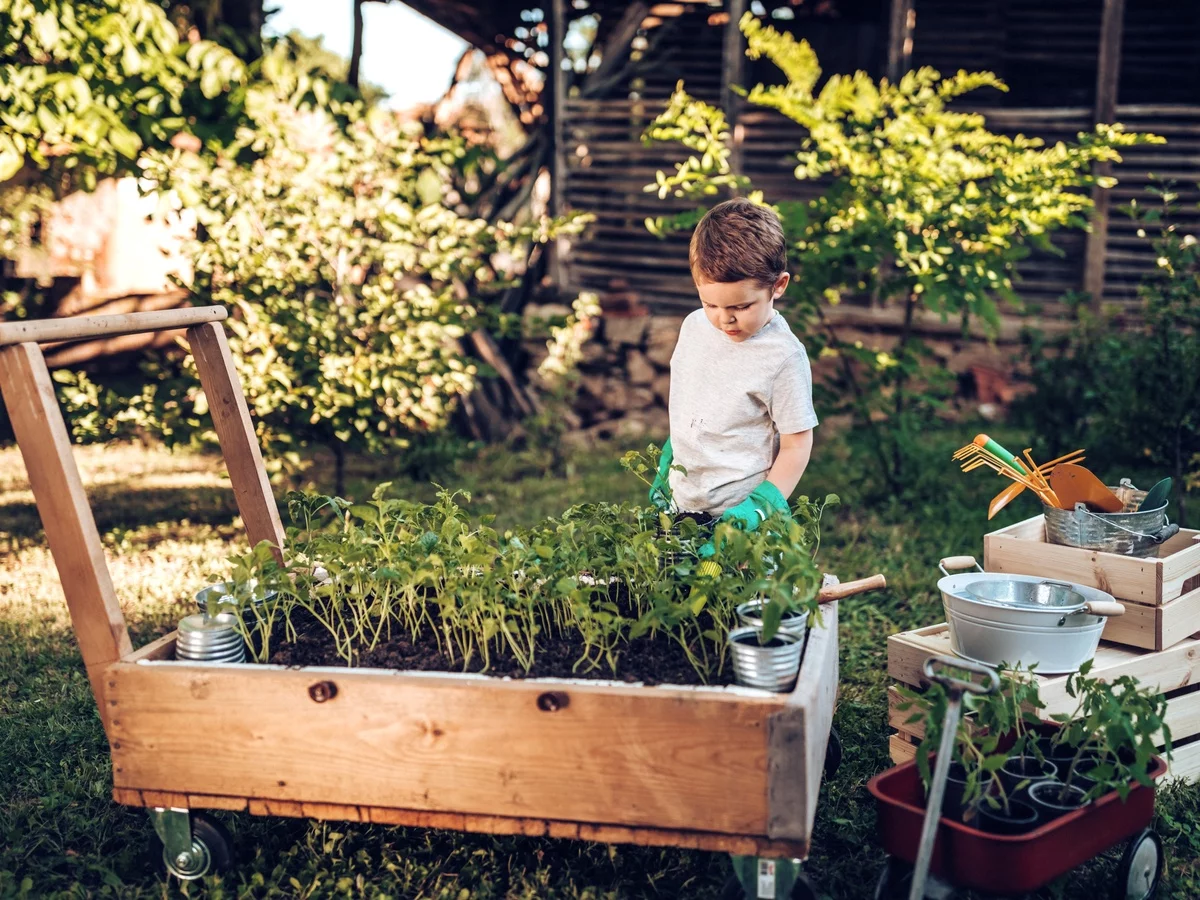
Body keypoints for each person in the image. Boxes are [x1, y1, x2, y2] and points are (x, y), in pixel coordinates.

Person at [648, 197, 817, 553]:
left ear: (779, 285)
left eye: (741, 306)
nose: (725, 318)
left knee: (739, 603)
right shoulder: (694, 327)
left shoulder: (783, 357)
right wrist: (669, 461)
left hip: (743, 522)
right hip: (682, 508)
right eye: (711, 304)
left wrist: (759, 509)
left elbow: (797, 445)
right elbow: (693, 405)